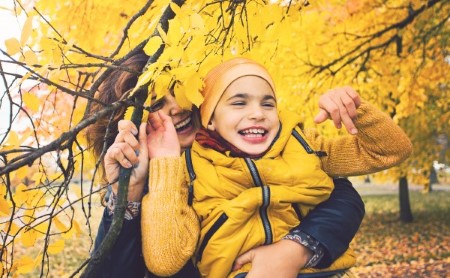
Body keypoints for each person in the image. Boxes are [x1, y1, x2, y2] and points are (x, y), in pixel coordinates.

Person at [87, 52, 408, 277]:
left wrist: (293, 251)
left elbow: (342, 197)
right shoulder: (175, 174)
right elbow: (146, 264)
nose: (178, 109)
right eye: (156, 103)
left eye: (180, 92)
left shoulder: (274, 141)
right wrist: (127, 193)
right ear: (124, 122)